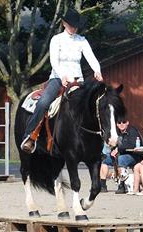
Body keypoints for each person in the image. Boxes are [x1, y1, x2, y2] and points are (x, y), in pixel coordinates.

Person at [21, 8, 103, 154]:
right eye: (71, 25)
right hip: (58, 79)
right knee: (44, 102)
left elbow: (91, 58)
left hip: (78, 81)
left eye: (76, 25)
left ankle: (98, 140)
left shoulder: (82, 41)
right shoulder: (56, 40)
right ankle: (30, 135)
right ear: (64, 23)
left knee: (94, 103)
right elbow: (54, 61)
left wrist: (97, 70)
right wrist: (63, 75)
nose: (74, 28)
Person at [100, 117, 143, 193]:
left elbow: (132, 144)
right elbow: (114, 145)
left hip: (135, 155)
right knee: (105, 159)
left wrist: (118, 149)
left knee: (121, 159)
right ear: (117, 124)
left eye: (123, 122)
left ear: (127, 122)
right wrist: (113, 148)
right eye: (119, 122)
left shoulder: (132, 131)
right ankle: (103, 185)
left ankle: (121, 185)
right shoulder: (117, 133)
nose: (121, 124)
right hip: (121, 155)